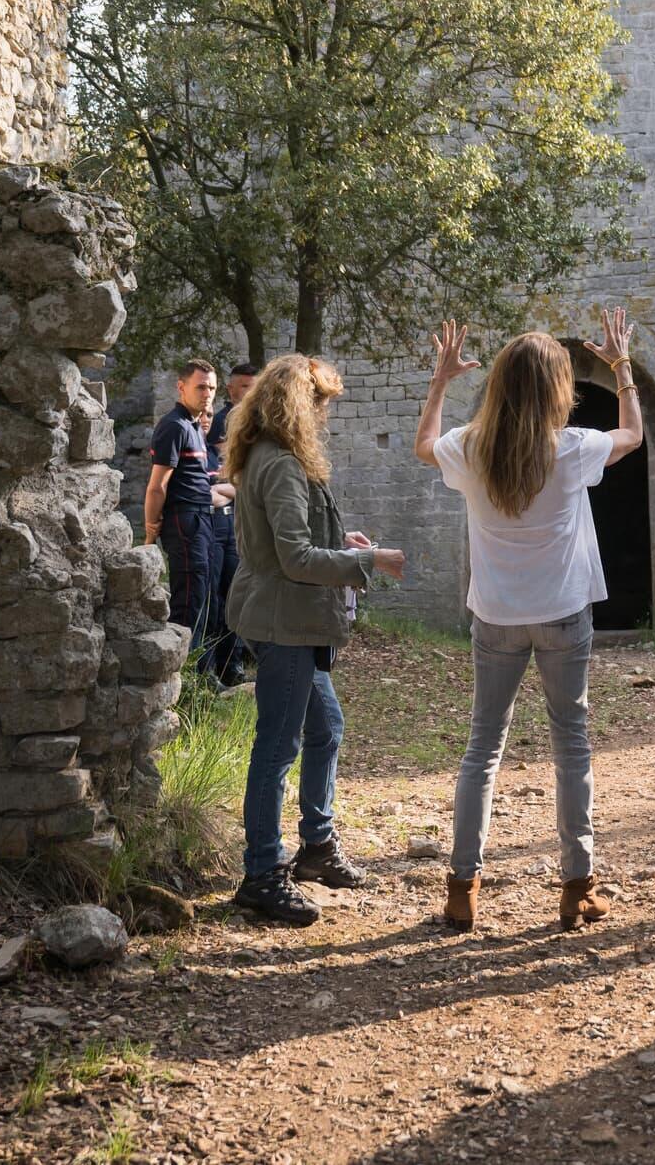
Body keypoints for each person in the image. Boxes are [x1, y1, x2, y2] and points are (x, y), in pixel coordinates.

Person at [414, 311, 643, 931]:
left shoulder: (469, 447)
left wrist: (439, 382)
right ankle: (578, 887)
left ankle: (462, 888)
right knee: (571, 745)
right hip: (564, 614)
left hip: (495, 618)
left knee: (482, 747)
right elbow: (632, 434)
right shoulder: (571, 448)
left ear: (499, 386)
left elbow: (422, 445)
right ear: (558, 389)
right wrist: (621, 366)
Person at [220, 354, 406, 927]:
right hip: (285, 623)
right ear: (300, 404)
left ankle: (317, 851)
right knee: (277, 749)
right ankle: (260, 876)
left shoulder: (276, 458)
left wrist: (340, 539)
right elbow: (294, 560)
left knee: (326, 729)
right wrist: (365, 560)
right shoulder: (279, 463)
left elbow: (289, 538)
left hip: (294, 620)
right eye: (321, 402)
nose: (326, 414)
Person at [143, 360, 221, 660]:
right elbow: (156, 486)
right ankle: (178, 675)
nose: (207, 393)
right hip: (184, 520)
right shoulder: (173, 426)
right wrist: (150, 528)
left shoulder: (193, 425)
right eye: (200, 386)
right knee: (188, 598)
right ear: (181, 387)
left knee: (204, 593)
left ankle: (198, 672)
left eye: (212, 387)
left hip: (203, 517)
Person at [201, 362, 260, 689]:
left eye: (254, 386)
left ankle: (233, 663)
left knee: (238, 595)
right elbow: (220, 480)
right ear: (231, 389)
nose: (249, 392)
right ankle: (213, 667)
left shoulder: (257, 421)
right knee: (215, 596)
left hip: (240, 519)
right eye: (244, 387)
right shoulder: (222, 421)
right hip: (216, 523)